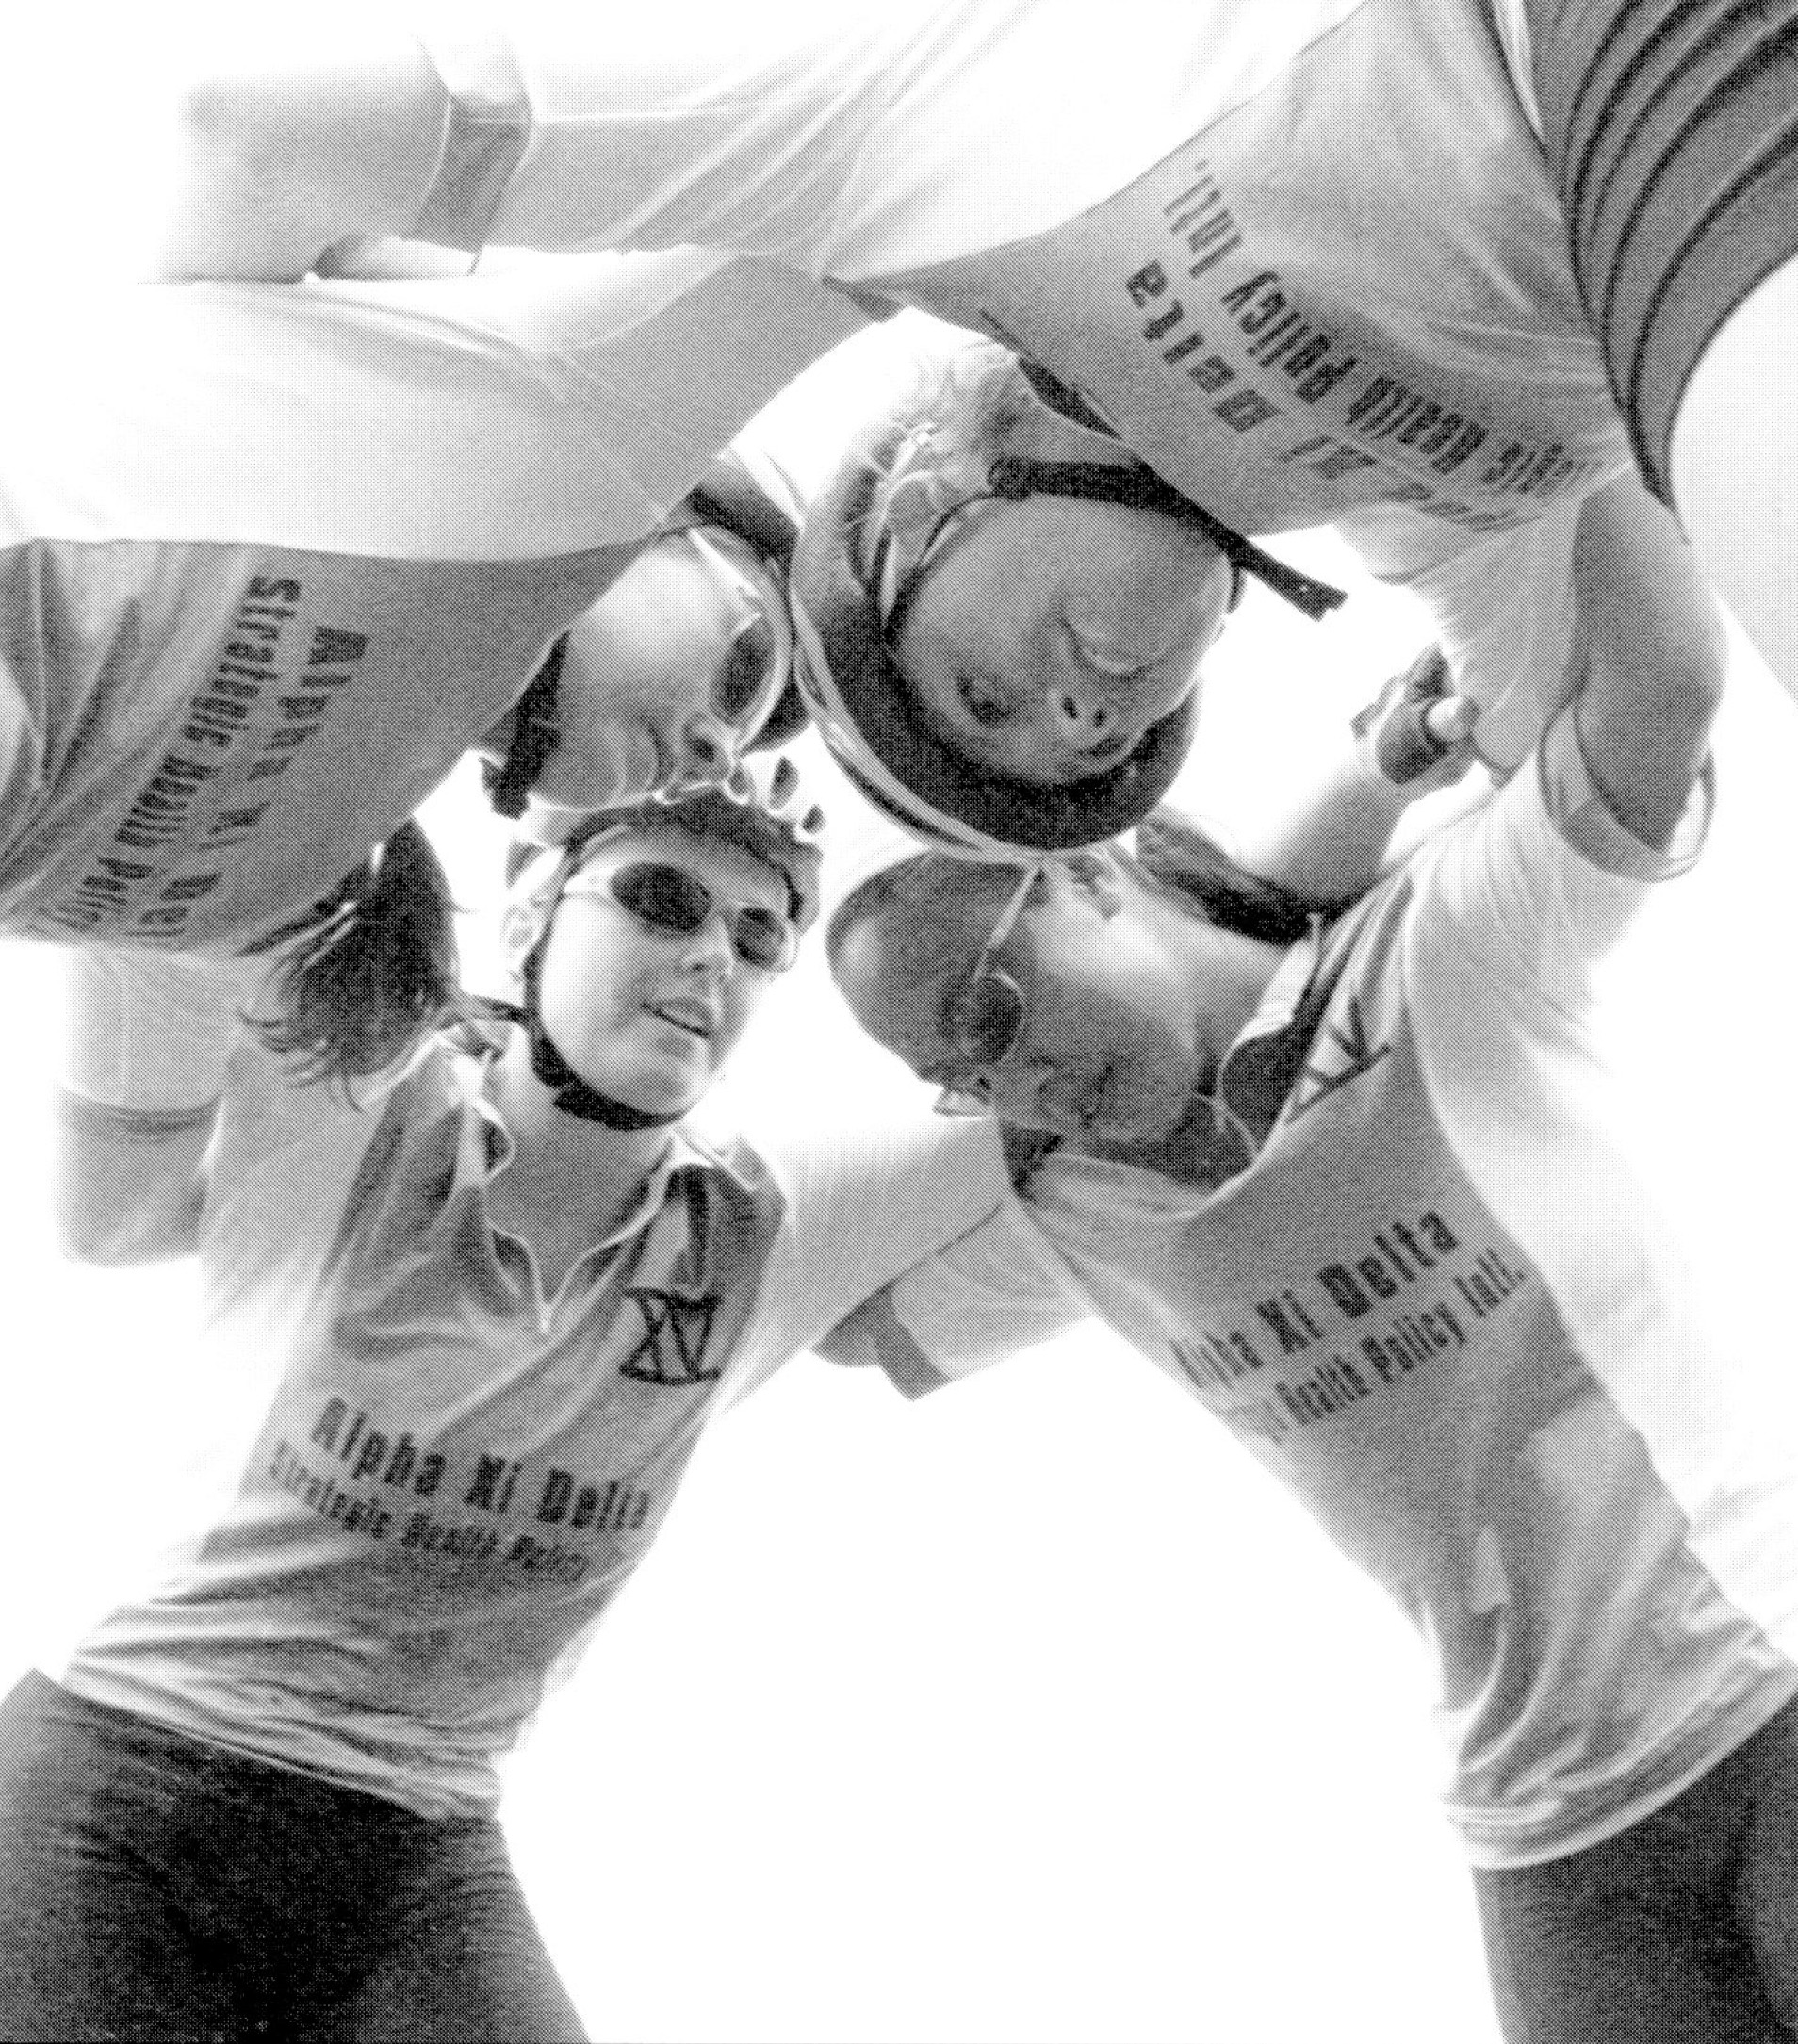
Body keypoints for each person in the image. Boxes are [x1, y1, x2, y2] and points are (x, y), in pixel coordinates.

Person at [823, 467, 1798, 2038]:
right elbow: (843, 1322)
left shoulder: (1438, 958)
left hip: (1764, 1673)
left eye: (990, 1011)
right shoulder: (1066, 1201)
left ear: (1083, 869)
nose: (1007, 1083)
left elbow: (1663, 684)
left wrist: (1523, 414)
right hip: (1545, 1830)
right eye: (957, 1073)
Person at [138, 1, 1798, 847]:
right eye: (1082, 742)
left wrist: (288, 522)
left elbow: (264, 132)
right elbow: (1628, 716)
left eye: (983, 690)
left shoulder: (911, 183)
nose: (1079, 706)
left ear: (921, 506)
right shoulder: (1418, 532)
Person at [7, 758, 1017, 2042]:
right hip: (120, 1784)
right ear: (533, 915)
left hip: (415, 1848)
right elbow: (191, 826)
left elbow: (1114, 1067)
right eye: (660, 900)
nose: (712, 956)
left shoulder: (771, 1221)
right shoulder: (354, 1098)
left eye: (760, 936)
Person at [0, 239, 860, 999]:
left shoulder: (294, 886)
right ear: (671, 511)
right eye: (740, 670)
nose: (711, 759)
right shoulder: (492, 415)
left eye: (729, 750)